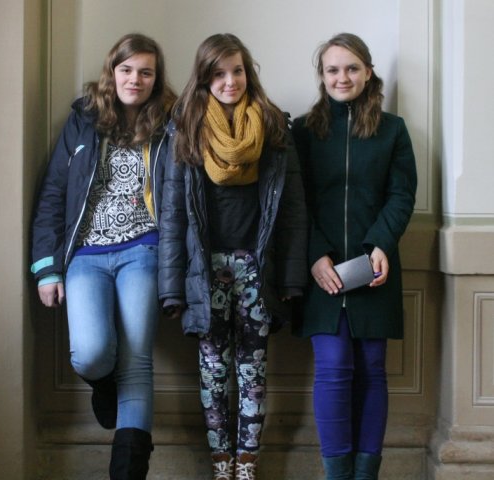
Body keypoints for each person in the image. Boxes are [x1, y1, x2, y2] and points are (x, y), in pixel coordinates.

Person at [158, 33, 307, 480]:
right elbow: (173, 214)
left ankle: (246, 465)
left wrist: (292, 279)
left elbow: (293, 209)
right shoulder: (185, 127)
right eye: (219, 73)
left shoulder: (273, 125)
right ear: (204, 78)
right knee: (213, 372)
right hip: (205, 273)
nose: (230, 81)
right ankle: (221, 464)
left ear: (248, 73)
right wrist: (171, 288)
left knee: (252, 373)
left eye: (237, 71)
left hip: (257, 270)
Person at [30, 33, 176, 480]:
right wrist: (46, 269)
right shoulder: (84, 119)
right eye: (127, 69)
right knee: (91, 355)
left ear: (156, 78)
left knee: (137, 362)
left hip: (144, 252)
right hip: (85, 255)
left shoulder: (171, 123)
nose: (135, 79)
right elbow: (53, 194)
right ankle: (103, 384)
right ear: (113, 72)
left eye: (146, 72)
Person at [291, 33, 417, 480]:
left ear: (368, 72)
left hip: (375, 267)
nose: (342, 77)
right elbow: (296, 201)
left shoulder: (393, 130)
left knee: (371, 369)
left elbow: (401, 195)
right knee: (332, 368)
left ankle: (366, 475)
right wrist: (315, 255)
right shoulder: (302, 132)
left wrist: (381, 243)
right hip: (321, 272)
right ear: (322, 76)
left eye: (351, 68)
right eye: (332, 69)